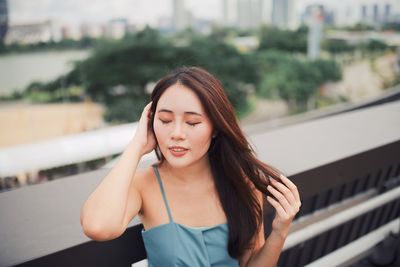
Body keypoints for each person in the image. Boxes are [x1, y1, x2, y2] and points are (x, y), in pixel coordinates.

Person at [80, 66, 301, 266]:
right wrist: (136, 147)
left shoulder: (241, 183)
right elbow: (98, 226)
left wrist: (280, 231)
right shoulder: (144, 183)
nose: (176, 134)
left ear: (215, 127)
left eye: (192, 123)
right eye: (165, 120)